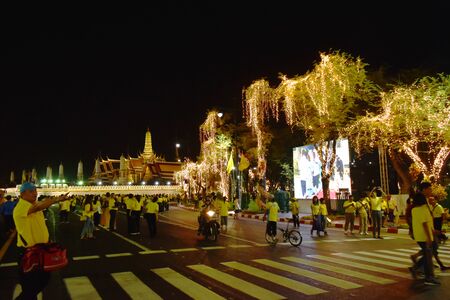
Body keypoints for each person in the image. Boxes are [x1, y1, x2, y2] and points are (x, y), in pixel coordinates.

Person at [13, 182, 69, 299]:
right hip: (28, 252)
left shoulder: (34, 204)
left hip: (41, 250)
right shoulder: (21, 207)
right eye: (31, 191)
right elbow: (38, 207)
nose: (35, 193)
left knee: (42, 280)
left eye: (35, 190)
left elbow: (39, 205)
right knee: (30, 286)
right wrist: (55, 200)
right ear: (23, 194)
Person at [409, 182, 440, 285]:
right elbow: (425, 223)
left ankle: (418, 268)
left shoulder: (415, 209)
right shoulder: (423, 207)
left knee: (429, 252)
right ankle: (427, 275)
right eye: (429, 189)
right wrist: (429, 236)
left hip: (421, 235)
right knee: (428, 254)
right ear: (424, 189)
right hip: (425, 236)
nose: (431, 191)